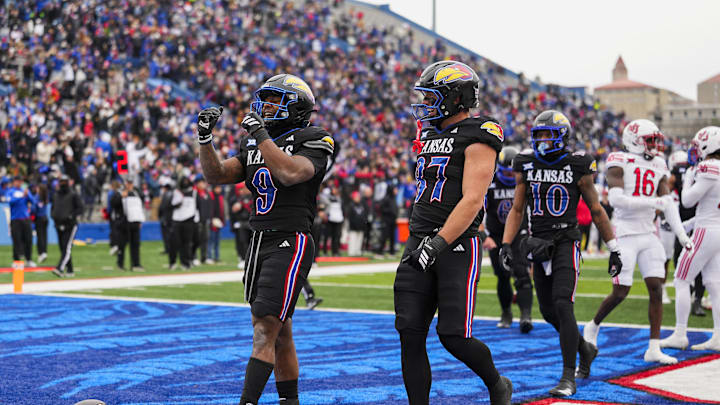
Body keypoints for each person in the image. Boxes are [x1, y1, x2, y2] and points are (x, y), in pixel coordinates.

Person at [197, 73, 334, 405]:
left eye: (275, 101)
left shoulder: (315, 137)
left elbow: (291, 173)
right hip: (258, 240)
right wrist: (205, 140)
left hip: (291, 238)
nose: (266, 107)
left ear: (296, 107)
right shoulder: (254, 142)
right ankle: (291, 401)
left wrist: (259, 135)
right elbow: (216, 175)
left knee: (264, 329)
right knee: (279, 331)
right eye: (265, 99)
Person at [395, 61, 511, 405]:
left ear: (456, 97)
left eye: (432, 97)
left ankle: (497, 383)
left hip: (455, 244)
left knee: (453, 335)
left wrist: (438, 243)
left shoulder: (481, 131)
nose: (425, 104)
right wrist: (423, 242)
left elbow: (473, 199)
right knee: (410, 332)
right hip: (419, 239)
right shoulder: (429, 134)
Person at [501, 110, 620, 396]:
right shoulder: (526, 162)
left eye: (548, 134)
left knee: (563, 305)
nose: (542, 140)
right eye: (539, 135)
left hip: (566, 241)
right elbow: (517, 209)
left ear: (562, 137)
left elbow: (596, 209)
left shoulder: (578, 164)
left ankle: (568, 377)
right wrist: (506, 243)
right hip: (537, 243)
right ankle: (585, 348)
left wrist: (613, 248)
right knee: (548, 311)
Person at [583, 119, 693, 365]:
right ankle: (593, 325)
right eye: (649, 140)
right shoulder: (619, 160)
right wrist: (653, 203)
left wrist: (682, 235)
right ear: (633, 140)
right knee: (621, 291)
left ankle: (653, 347)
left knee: (656, 287)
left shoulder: (659, 164)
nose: (654, 145)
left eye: (655, 140)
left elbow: (668, 203)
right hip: (624, 233)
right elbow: (616, 199)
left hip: (648, 234)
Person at [661, 126, 720, 351]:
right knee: (715, 284)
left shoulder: (707, 168)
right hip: (716, 229)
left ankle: (680, 333)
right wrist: (686, 225)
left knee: (681, 279)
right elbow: (709, 210)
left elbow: (687, 201)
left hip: (706, 232)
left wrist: (689, 178)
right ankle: (718, 336)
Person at [482, 146, 533, 333]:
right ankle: (506, 313)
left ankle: (526, 315)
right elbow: (477, 209)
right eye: (507, 173)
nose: (511, 176)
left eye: (514, 173)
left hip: (518, 234)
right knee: (502, 276)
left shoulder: (525, 182)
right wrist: (484, 235)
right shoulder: (490, 183)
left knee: (522, 274)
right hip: (496, 236)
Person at [51, 175, 83, 277]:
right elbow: (53, 208)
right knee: (62, 248)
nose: (63, 184)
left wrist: (71, 216)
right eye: (61, 182)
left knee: (66, 247)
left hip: (70, 225)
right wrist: (54, 216)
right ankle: (70, 270)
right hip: (58, 224)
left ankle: (60, 268)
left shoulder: (73, 195)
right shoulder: (56, 195)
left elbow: (80, 208)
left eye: (65, 181)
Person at [5, 176, 36, 267]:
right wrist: (22, 196)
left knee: (28, 240)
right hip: (15, 219)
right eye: (17, 181)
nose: (18, 183)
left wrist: (28, 194)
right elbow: (10, 201)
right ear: (14, 182)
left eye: (20, 181)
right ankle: (16, 260)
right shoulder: (11, 192)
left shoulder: (25, 191)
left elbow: (33, 201)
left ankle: (28, 259)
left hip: (26, 219)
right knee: (16, 240)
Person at [169, 177, 197, 271]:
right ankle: (172, 262)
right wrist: (177, 203)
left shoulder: (193, 192)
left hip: (188, 220)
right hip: (177, 220)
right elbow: (170, 205)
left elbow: (197, 206)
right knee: (175, 243)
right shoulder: (176, 192)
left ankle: (186, 262)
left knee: (187, 243)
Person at [121, 179, 146, 272]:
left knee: (136, 244)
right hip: (127, 222)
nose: (129, 185)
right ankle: (121, 264)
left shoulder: (136, 193)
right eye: (128, 183)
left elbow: (138, 208)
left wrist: (140, 220)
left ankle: (136, 264)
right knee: (124, 244)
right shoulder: (123, 193)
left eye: (131, 183)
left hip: (135, 221)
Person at [229, 183, 252, 269]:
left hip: (251, 223)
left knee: (251, 242)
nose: (242, 191)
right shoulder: (237, 199)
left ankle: (251, 259)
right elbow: (233, 211)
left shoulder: (253, 197)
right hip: (242, 223)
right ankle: (243, 259)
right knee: (243, 242)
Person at [32, 183, 49, 263]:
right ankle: (45, 252)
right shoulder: (45, 197)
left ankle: (41, 253)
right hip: (45, 218)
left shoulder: (37, 197)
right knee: (44, 236)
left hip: (39, 218)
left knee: (40, 236)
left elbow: (34, 209)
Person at [208, 184, 225, 263]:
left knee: (217, 241)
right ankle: (209, 257)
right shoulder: (210, 197)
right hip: (212, 221)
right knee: (211, 240)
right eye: (217, 188)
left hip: (218, 221)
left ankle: (217, 257)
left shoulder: (220, 197)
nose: (219, 189)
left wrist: (222, 220)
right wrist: (211, 221)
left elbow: (222, 210)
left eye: (220, 188)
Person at [347, 190, 367, 256]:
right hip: (353, 226)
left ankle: (358, 251)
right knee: (353, 239)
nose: (358, 198)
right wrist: (353, 224)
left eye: (359, 197)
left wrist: (364, 223)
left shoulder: (362, 205)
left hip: (361, 226)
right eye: (356, 197)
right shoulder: (351, 205)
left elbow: (364, 215)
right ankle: (352, 252)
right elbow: (350, 217)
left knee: (359, 239)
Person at [157, 179, 174, 255]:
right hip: (171, 218)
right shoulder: (173, 194)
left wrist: (160, 216)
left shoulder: (165, 195)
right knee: (170, 235)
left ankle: (168, 249)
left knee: (166, 235)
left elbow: (161, 208)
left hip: (165, 218)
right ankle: (170, 249)